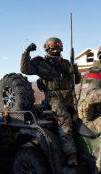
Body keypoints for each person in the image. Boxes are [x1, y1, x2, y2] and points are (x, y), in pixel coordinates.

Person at [21, 37, 81, 166]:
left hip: (68, 99)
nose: (56, 50)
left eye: (58, 48)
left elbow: (76, 81)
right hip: (53, 99)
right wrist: (27, 52)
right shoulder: (42, 63)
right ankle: (71, 154)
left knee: (77, 120)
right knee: (64, 119)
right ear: (48, 49)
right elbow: (25, 70)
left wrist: (76, 72)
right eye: (54, 48)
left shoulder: (66, 64)